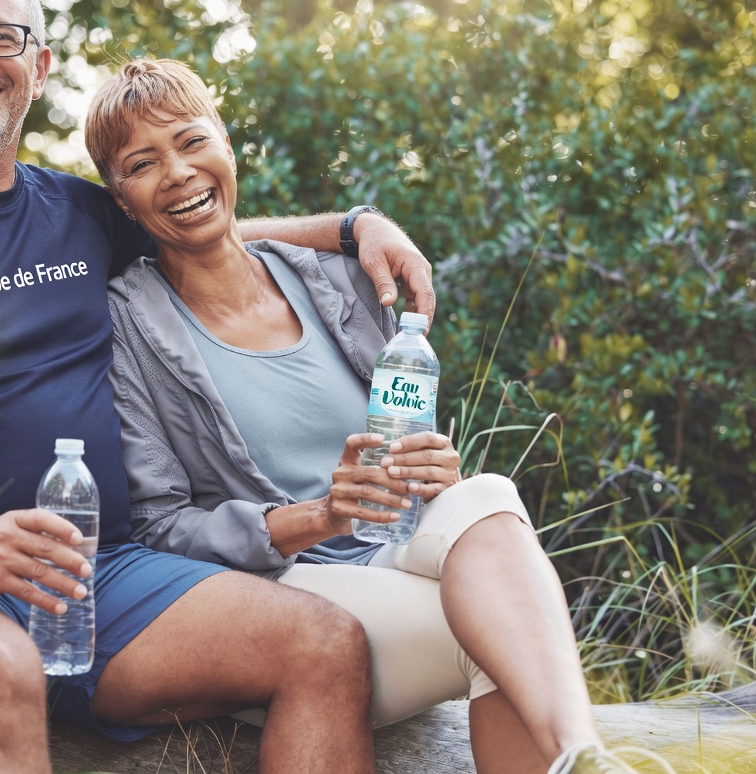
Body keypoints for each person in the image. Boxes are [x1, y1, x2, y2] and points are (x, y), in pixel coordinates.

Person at [0, 0, 438, 772]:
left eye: (1, 35)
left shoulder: (78, 212)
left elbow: (206, 226)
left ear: (37, 67)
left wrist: (358, 224)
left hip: (98, 574)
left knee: (321, 642)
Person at [88, 58, 678, 774]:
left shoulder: (333, 276)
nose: (178, 172)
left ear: (226, 144)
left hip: (396, 549)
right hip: (280, 594)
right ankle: (579, 755)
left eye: (190, 141)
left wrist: (433, 469)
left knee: (487, 492)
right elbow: (160, 528)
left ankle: (578, 756)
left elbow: (408, 444)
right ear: (121, 201)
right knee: (503, 640)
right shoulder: (126, 326)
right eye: (143, 163)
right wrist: (319, 515)